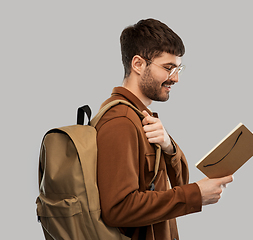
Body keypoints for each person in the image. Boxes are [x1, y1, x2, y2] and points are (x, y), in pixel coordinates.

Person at [96, 18, 233, 240]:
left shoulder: (142, 118)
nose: (176, 78)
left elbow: (179, 183)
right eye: (168, 68)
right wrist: (195, 195)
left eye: (178, 68)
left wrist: (169, 147)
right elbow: (118, 209)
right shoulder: (120, 121)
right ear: (138, 64)